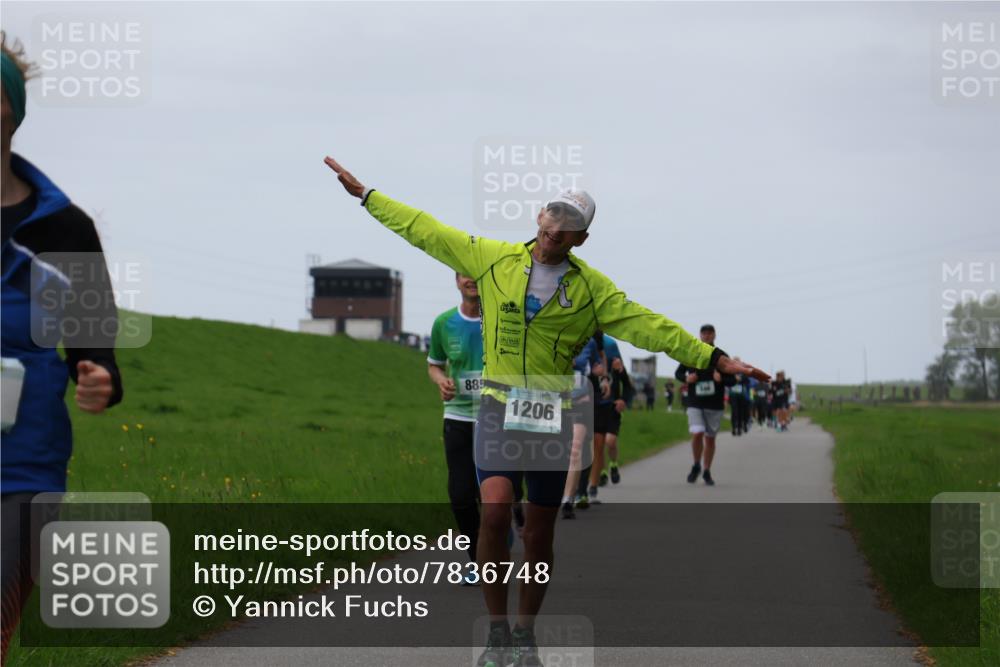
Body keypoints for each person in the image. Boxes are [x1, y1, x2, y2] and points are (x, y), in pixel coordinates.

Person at [323, 155, 767, 666]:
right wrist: (369, 197)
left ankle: (525, 634)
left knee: (538, 534)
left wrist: (715, 358)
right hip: (495, 406)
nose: (558, 229)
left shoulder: (592, 289)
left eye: (571, 225)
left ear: (581, 239)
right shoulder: (491, 258)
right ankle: (495, 632)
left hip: (549, 414)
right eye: (554, 216)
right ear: (539, 216)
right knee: (493, 510)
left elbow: (651, 326)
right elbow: (426, 231)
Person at [1, 35, 124, 660]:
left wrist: (99, 377)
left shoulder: (63, 227)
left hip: (23, 466)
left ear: (10, 111)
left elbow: (95, 340)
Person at [427, 273, 484, 584]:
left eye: (475, 273)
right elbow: (434, 363)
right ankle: (477, 560)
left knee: (497, 494)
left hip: (496, 417)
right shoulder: (443, 323)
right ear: (456, 281)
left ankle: (504, 527)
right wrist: (441, 381)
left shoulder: (501, 319)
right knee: (461, 495)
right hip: (458, 417)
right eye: (464, 274)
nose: (470, 279)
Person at [675, 324, 735, 486]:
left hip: (714, 404)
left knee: (710, 439)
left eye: (710, 333)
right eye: (704, 333)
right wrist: (687, 379)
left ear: (714, 335)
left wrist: (721, 379)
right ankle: (696, 464)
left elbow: (733, 380)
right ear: (700, 335)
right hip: (695, 402)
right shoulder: (692, 353)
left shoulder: (721, 356)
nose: (707, 336)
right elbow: (678, 373)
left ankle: (706, 470)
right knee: (697, 432)